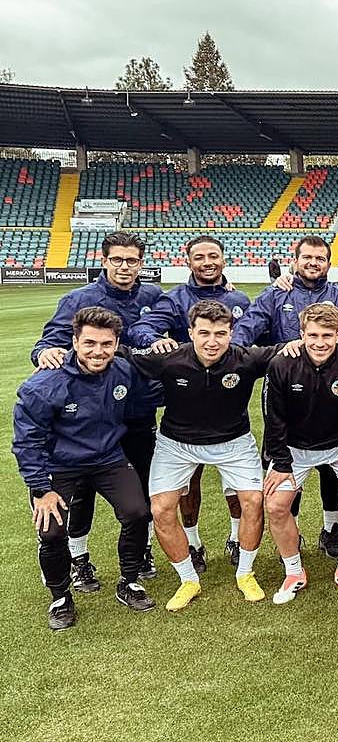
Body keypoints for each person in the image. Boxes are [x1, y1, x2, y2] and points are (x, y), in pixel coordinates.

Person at [30, 231, 163, 585]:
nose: (124, 266)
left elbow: (179, 330)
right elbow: (50, 341)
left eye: (132, 260)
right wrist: (43, 353)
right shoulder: (80, 298)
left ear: (141, 263)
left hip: (138, 410)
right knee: (82, 489)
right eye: (117, 259)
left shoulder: (152, 295)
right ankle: (79, 558)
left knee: (142, 487)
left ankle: (142, 551)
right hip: (90, 413)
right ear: (103, 260)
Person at [124, 301, 275, 610]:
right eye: (203, 333)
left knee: (253, 501)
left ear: (232, 334)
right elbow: (121, 353)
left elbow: (289, 350)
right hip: (176, 444)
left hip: (233, 442)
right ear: (190, 332)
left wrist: (305, 343)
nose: (212, 341)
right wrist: (61, 354)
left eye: (221, 333)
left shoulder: (246, 359)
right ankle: (188, 579)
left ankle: (245, 573)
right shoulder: (168, 359)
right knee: (162, 509)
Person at [13, 307, 156, 629]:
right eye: (89, 343)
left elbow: (146, 401)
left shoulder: (122, 370)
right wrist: (40, 489)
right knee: (51, 533)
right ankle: (60, 598)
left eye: (106, 344)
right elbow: (26, 442)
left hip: (107, 459)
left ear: (116, 343)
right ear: (74, 342)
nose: (98, 351)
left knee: (137, 512)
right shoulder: (44, 385)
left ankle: (129, 581)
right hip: (59, 466)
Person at [234, 235, 338, 560]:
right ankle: (292, 531)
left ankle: (331, 528)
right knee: (287, 456)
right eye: (307, 257)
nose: (313, 263)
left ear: (328, 263)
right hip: (288, 386)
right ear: (295, 260)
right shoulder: (276, 292)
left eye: (320, 259)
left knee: (329, 463)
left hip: (329, 386)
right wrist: (253, 353)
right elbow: (248, 327)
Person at [127, 234, 251, 569]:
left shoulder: (239, 298)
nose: (207, 262)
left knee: (234, 480)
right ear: (189, 261)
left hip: (228, 402)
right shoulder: (175, 298)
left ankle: (236, 537)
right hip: (185, 403)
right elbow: (142, 328)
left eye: (213, 255)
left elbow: (257, 336)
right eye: (200, 257)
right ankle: (194, 543)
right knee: (188, 479)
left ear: (224, 258)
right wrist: (156, 341)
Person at [262, 304, 338, 604]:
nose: (319, 342)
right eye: (312, 335)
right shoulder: (282, 365)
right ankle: (294, 571)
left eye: (327, 335)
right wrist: (281, 462)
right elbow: (273, 417)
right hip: (295, 450)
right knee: (275, 505)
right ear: (301, 335)